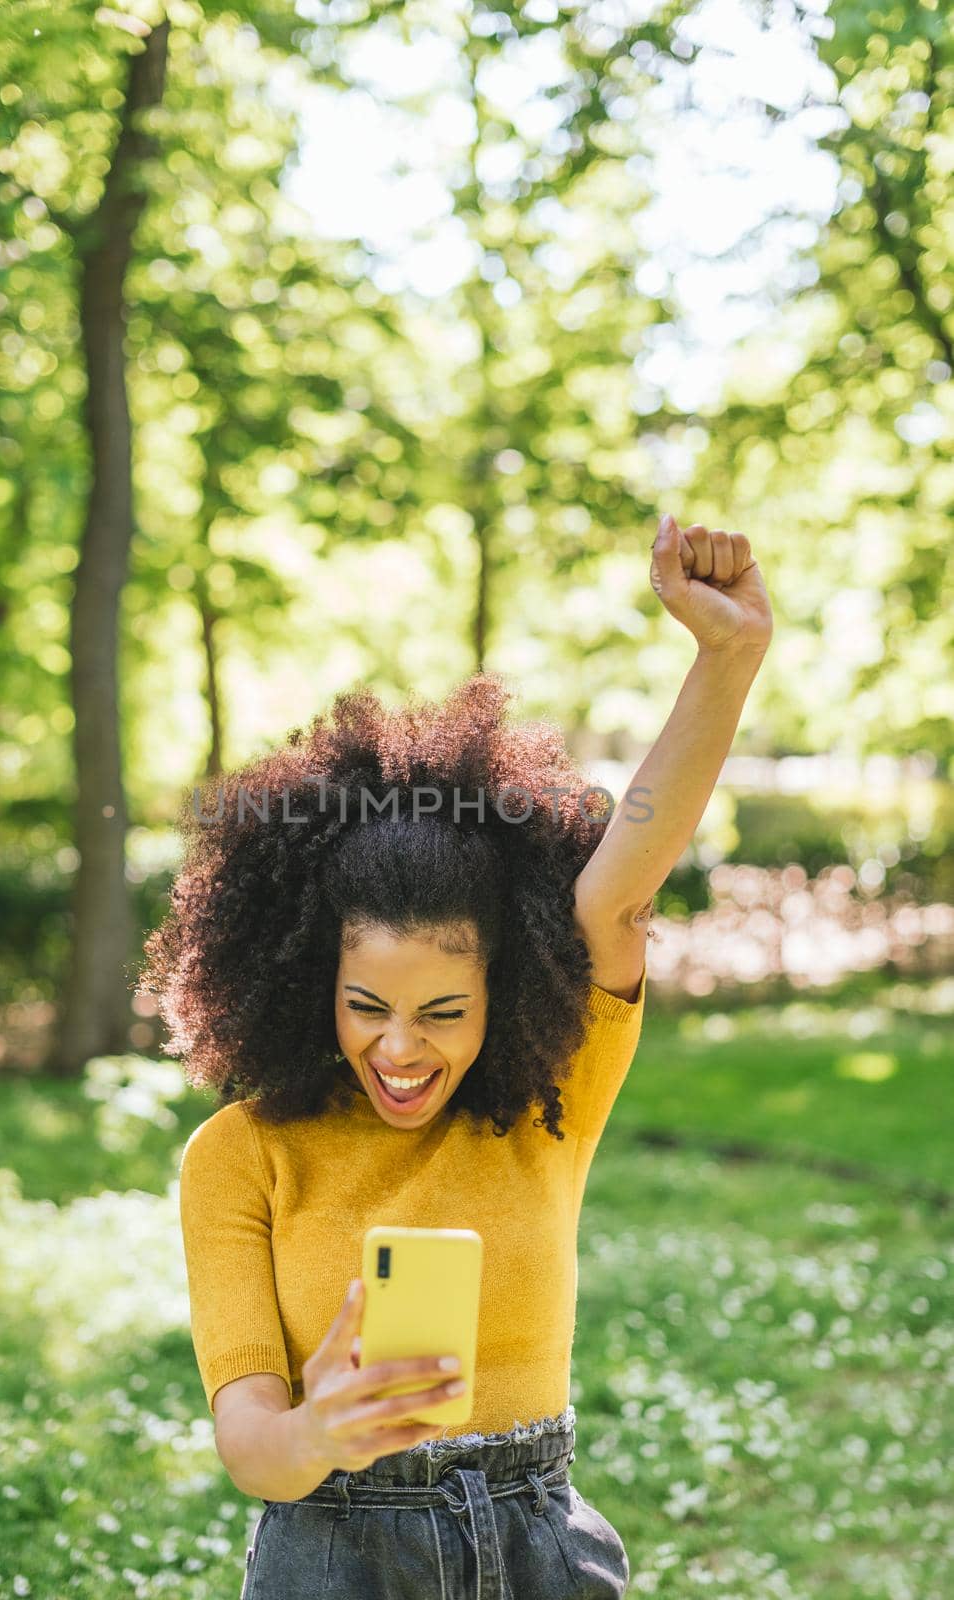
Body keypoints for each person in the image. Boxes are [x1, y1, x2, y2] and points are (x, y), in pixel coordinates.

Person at [137, 518, 772, 1598]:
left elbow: (620, 887)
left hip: (542, 1551)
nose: (398, 1046)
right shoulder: (239, 1156)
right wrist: (318, 1430)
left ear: (503, 995)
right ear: (307, 986)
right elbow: (248, 1445)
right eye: (365, 1006)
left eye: (441, 1010)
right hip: (332, 1551)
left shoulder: (548, 1103)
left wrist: (728, 656)